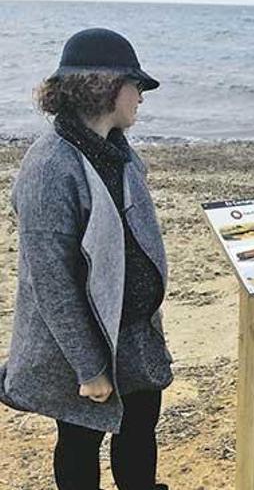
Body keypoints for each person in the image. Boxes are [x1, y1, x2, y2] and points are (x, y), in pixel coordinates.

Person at [0, 28, 172, 490]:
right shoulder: (50, 167)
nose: (141, 97)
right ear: (107, 86)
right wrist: (90, 368)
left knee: (139, 434)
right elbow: (50, 282)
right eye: (136, 85)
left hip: (133, 334)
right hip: (81, 345)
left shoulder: (122, 154)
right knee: (79, 444)